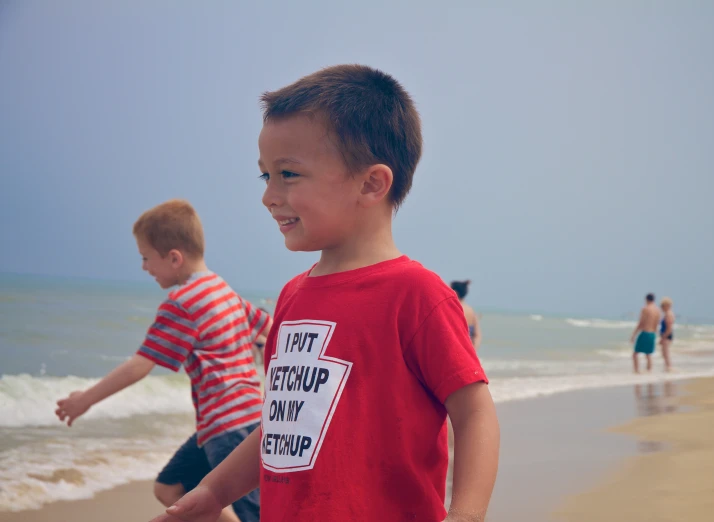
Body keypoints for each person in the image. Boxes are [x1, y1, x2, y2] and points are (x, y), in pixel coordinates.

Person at [150, 65, 499, 522]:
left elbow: (475, 414)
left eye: (289, 174)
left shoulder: (416, 295)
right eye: (265, 176)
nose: (269, 195)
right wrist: (214, 492)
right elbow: (282, 424)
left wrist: (467, 513)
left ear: (371, 183)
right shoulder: (293, 297)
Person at [55, 199, 271, 522]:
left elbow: (140, 365)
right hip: (242, 420)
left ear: (174, 258)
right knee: (169, 489)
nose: (144, 267)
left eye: (146, 258)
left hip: (228, 429)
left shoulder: (182, 303)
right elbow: (270, 331)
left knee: (252, 512)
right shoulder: (223, 290)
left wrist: (83, 401)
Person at [630, 293, 661, 374]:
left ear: (646, 299)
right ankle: (649, 371)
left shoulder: (645, 309)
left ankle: (637, 371)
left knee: (635, 354)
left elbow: (641, 323)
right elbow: (657, 324)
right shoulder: (657, 310)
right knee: (648, 354)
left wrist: (633, 335)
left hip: (645, 332)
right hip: (652, 334)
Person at [450, 280, 482, 350]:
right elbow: (477, 335)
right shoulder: (471, 310)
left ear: (455, 292)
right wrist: (473, 350)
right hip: (468, 351)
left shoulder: (453, 309)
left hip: (456, 350)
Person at [659, 297, 675, 372]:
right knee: (664, 353)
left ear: (667, 305)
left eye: (662, 305)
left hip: (667, 336)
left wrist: (663, 337)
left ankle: (669, 367)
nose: (661, 307)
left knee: (666, 353)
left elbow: (669, 328)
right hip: (666, 335)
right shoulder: (667, 314)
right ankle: (667, 367)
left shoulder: (669, 314)